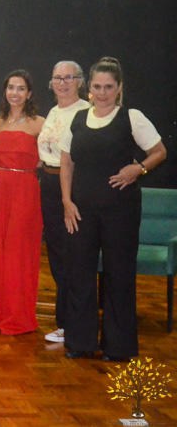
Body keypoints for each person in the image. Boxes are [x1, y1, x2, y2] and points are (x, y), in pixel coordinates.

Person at [60, 58, 166, 361]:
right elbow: (67, 163)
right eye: (97, 86)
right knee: (79, 274)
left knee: (119, 276)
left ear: (118, 88)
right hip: (80, 212)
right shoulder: (78, 118)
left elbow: (159, 152)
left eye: (109, 87)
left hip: (121, 212)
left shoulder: (131, 118)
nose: (102, 92)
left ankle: (118, 347)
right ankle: (80, 342)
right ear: (89, 88)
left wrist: (138, 169)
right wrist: (66, 202)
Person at [0, 69, 45, 335]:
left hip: (24, 190)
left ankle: (19, 315)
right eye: (11, 87)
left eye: (21, 88)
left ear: (29, 93)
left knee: (18, 253)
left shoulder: (40, 123)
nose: (15, 93)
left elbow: (50, 157)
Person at [36, 61, 90, 344]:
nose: (63, 83)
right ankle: (66, 323)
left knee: (73, 258)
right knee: (57, 257)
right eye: (58, 78)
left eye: (69, 77)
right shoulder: (53, 112)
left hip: (73, 189)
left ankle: (74, 323)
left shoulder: (86, 112)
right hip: (48, 186)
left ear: (80, 81)